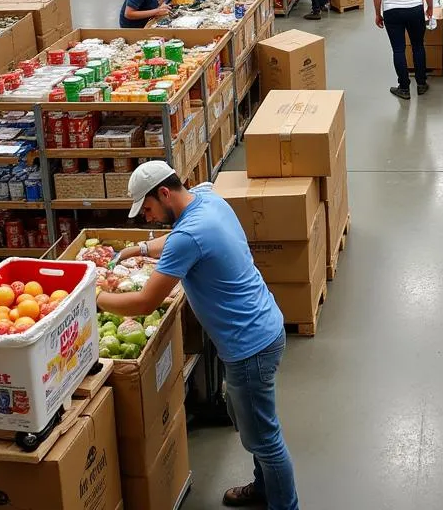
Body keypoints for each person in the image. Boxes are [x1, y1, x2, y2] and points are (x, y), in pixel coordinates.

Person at [97, 162, 298, 510]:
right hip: (261, 328)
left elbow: (146, 302)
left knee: (265, 439)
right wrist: (137, 250)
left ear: (163, 193)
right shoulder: (205, 196)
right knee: (249, 421)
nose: (147, 218)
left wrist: (93, 297)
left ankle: (285, 505)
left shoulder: (191, 235)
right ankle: (265, 487)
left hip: (249, 346)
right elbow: (177, 239)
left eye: (147, 209)